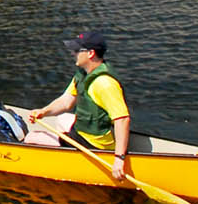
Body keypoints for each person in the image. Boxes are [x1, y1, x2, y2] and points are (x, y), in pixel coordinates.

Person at [28, 30, 131, 181]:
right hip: (84, 132)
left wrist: (119, 158)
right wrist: (43, 112)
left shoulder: (104, 84)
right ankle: (63, 147)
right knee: (62, 118)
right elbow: (66, 101)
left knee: (31, 137)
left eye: (77, 50)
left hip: (94, 144)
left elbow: (122, 119)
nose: (73, 53)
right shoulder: (83, 74)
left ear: (90, 53)